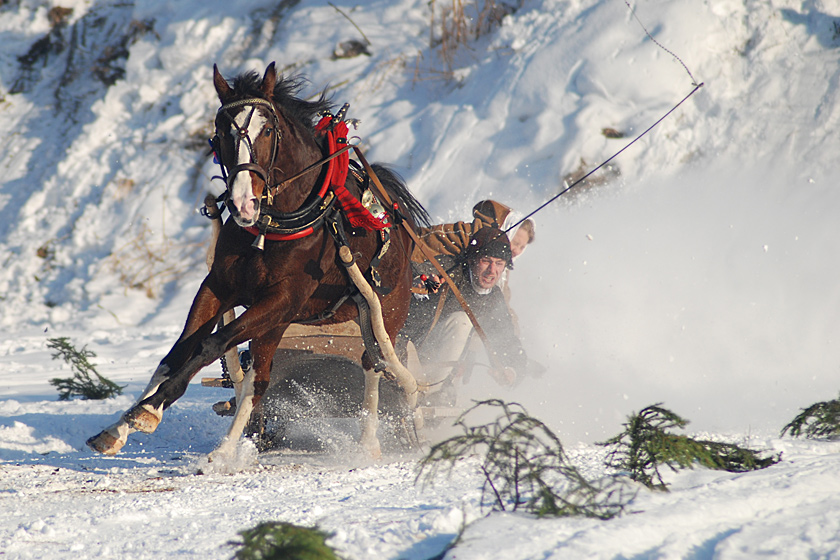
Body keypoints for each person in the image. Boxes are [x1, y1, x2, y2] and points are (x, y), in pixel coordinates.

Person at [399, 227, 527, 406]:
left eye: (499, 263)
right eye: (486, 261)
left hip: (444, 377)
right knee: (462, 322)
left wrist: (512, 371)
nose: (492, 271)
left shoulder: (493, 298)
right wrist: (422, 284)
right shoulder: (448, 269)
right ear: (473, 259)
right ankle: (425, 394)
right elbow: (412, 274)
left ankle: (432, 394)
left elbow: (507, 340)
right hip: (406, 351)